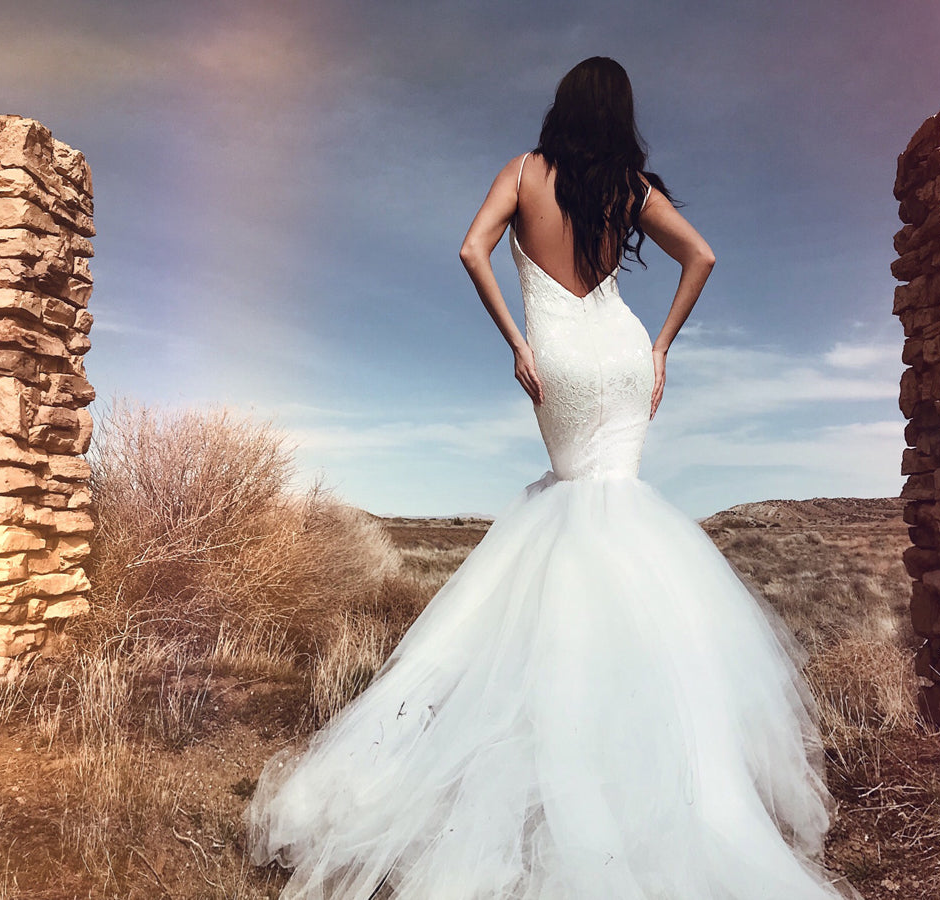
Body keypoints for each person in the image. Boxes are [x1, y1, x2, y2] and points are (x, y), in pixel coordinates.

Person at [242, 56, 861, 899]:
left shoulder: (524, 171)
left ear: (563, 108)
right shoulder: (631, 188)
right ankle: (640, 759)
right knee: (619, 505)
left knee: (575, 502)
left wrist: (520, 343)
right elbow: (703, 258)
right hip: (619, 351)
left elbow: (472, 248)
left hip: (562, 358)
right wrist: (661, 345)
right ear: (620, 115)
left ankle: (562, 748)